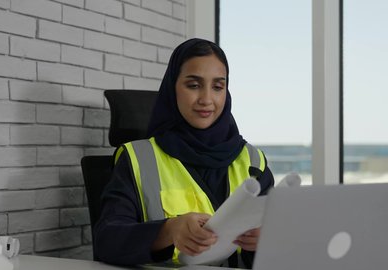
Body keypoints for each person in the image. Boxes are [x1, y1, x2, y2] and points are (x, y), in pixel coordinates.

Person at [94, 38, 274, 268]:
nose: (207, 99)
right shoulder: (137, 158)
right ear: (172, 88)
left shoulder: (253, 161)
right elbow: (106, 241)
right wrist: (168, 230)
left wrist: (265, 240)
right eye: (193, 85)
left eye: (218, 87)